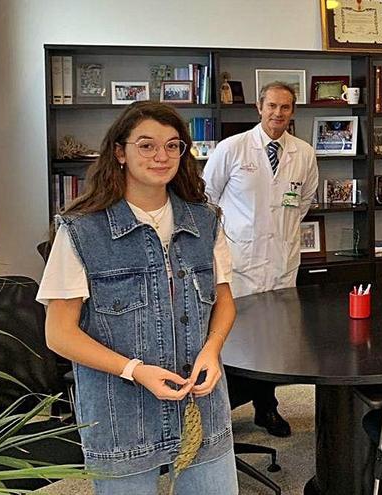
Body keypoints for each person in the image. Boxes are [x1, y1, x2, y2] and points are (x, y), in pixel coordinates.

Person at [37, 101, 238, 494]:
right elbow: (59, 334)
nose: (161, 156)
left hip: (201, 403)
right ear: (120, 152)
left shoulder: (206, 220)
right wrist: (135, 370)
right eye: (146, 145)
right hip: (119, 413)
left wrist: (212, 350)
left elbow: (224, 301)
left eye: (172, 145)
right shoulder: (81, 230)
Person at [203, 81, 319, 438]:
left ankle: (266, 410)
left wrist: (277, 234)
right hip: (239, 262)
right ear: (259, 107)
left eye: (285, 108)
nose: (277, 114)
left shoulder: (304, 153)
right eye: (272, 106)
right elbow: (207, 200)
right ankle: (219, 412)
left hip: (281, 262)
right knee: (234, 338)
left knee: (274, 340)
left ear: (293, 112)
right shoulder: (233, 148)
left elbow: (304, 202)